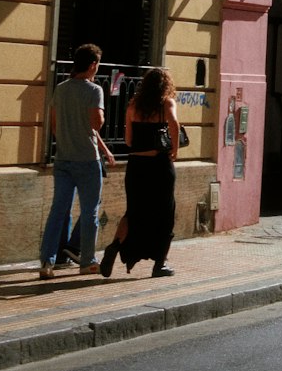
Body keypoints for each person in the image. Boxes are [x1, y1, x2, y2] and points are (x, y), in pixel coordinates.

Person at [38, 42, 115, 279]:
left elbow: (53, 124)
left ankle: (46, 263)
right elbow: (96, 124)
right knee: (90, 211)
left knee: (57, 211)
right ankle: (88, 261)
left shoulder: (60, 89)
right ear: (93, 65)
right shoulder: (94, 91)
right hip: (87, 161)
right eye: (98, 64)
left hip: (63, 159)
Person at [100, 66, 180, 279]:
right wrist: (175, 149)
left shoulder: (133, 105)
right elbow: (174, 124)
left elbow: (128, 140)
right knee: (165, 213)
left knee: (133, 211)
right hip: (159, 165)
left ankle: (114, 246)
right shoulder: (166, 104)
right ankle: (159, 265)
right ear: (165, 85)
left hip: (136, 165)